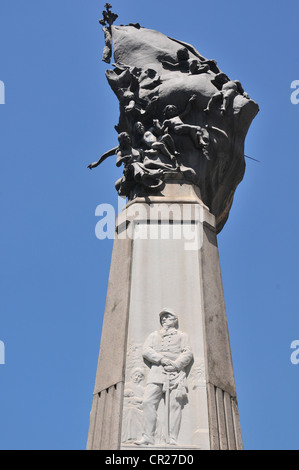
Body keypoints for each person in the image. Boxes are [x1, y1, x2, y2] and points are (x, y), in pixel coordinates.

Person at [135, 308, 193, 446]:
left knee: (174, 406)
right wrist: (161, 359)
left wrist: (176, 365)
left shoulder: (182, 336)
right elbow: (146, 350)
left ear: (174, 320)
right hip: (156, 372)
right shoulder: (154, 335)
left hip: (175, 374)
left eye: (168, 317)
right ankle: (148, 436)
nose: (164, 319)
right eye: (163, 317)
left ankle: (171, 438)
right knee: (148, 402)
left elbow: (188, 353)